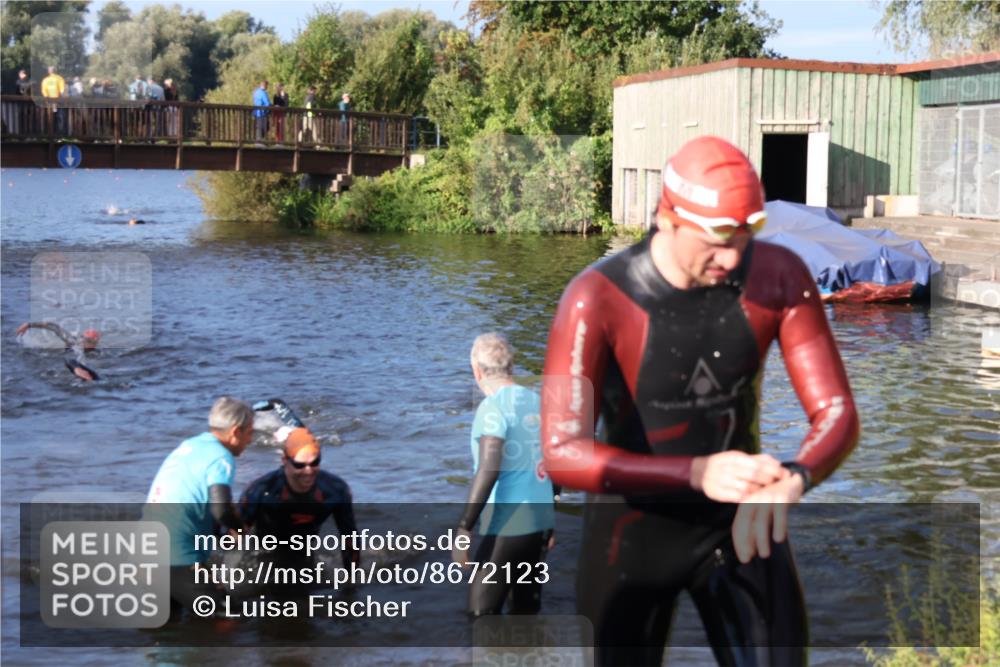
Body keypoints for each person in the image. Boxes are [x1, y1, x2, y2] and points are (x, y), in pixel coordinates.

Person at [540, 135, 859, 666]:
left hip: (742, 525)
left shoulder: (779, 275)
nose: (732, 256)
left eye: (746, 234)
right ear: (669, 219)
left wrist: (794, 478)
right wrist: (696, 473)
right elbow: (560, 452)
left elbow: (837, 412)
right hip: (631, 538)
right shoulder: (592, 297)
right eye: (716, 237)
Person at [452, 333, 556, 616]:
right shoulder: (539, 402)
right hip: (538, 524)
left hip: (507, 526)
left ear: (476, 370)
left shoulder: (492, 408)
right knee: (525, 612)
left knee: (479, 617)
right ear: (512, 367)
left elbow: (489, 469)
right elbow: (555, 462)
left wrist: (464, 528)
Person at [145, 397, 253, 612]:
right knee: (229, 615)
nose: (250, 441)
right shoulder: (221, 457)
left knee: (168, 628)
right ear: (235, 432)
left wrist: (220, 536)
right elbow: (221, 508)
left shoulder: (189, 446)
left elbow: (197, 502)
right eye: (250, 433)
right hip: (175, 555)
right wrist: (241, 531)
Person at [239, 400, 360, 570]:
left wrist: (351, 587)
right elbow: (232, 540)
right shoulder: (261, 490)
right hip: (261, 560)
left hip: (304, 559)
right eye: (300, 465)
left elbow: (350, 540)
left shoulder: (335, 490)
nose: (308, 471)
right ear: (285, 461)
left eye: (315, 463)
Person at [15, 321, 101, 381]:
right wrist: (28, 325)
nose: (88, 344)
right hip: (59, 360)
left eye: (92, 342)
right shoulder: (73, 342)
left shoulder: (97, 353)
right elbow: (53, 327)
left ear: (96, 343)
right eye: (86, 340)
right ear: (82, 339)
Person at [40, 66, 66, 134]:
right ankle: (59, 134)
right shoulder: (60, 78)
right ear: (56, 71)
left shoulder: (45, 80)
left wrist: (47, 99)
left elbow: (44, 92)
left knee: (49, 117)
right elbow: (62, 91)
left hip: (49, 102)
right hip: (58, 102)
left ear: (48, 71)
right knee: (60, 118)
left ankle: (49, 133)